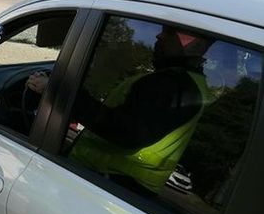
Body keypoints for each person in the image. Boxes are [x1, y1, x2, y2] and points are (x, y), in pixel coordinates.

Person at [27, 25, 213, 194]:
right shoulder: (186, 83)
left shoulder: (174, 86)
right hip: (117, 185)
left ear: (197, 45)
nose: (159, 35)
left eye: (170, 32)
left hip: (110, 185)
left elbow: (123, 129)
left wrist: (60, 93)